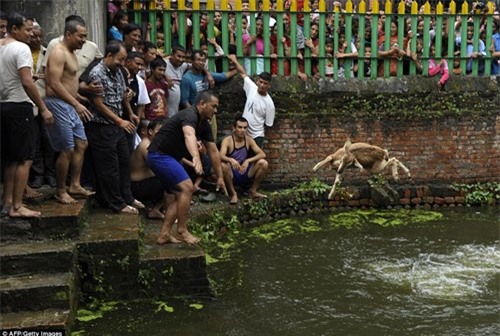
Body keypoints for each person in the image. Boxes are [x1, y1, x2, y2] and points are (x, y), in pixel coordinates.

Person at [146, 91, 227, 245]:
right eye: (214, 106)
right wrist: (195, 157)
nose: (216, 110)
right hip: (159, 155)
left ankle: (163, 235)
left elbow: (213, 151)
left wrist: (220, 176)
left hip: (169, 158)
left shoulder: (204, 125)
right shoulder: (190, 115)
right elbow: (189, 135)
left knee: (180, 194)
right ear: (202, 104)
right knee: (187, 188)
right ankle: (182, 230)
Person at [0, 12, 54, 218]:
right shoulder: (21, 48)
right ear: (14, 29)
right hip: (19, 106)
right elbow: (26, 81)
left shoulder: (1, 45)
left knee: (10, 159)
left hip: (3, 105)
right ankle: (17, 206)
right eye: (27, 30)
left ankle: (7, 202)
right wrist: (43, 107)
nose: (31, 34)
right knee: (24, 158)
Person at [86, 40, 144, 214]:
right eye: (120, 59)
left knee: (124, 162)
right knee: (109, 167)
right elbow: (98, 104)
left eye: (124, 59)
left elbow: (122, 95)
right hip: (101, 126)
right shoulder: (97, 73)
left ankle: (127, 196)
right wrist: (119, 121)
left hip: (117, 124)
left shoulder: (118, 72)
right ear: (109, 56)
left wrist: (130, 112)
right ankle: (116, 203)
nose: (122, 63)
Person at [44, 17, 95, 204]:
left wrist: (79, 98)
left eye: (85, 36)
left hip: (70, 103)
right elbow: (54, 84)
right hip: (58, 104)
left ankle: (74, 184)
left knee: (82, 144)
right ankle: (60, 190)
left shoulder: (72, 51)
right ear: (69, 34)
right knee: (66, 148)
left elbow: (68, 82)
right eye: (81, 36)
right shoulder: (58, 52)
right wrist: (76, 103)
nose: (84, 40)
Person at [228, 54, 275, 149]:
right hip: (243, 133)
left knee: (255, 160)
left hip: (257, 136)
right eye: (261, 82)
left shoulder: (269, 104)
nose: (262, 85)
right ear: (257, 81)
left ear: (269, 85)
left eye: (265, 84)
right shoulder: (252, 88)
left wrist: (259, 136)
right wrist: (235, 60)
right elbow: (243, 73)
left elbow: (268, 125)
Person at [220, 116, 269, 204]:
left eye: (245, 128)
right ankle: (233, 193)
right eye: (240, 127)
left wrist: (247, 161)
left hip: (244, 171)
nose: (242, 130)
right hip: (232, 173)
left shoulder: (249, 140)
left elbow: (262, 154)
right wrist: (231, 160)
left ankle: (253, 191)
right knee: (223, 165)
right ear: (234, 128)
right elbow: (220, 156)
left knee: (263, 163)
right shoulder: (227, 140)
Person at [130, 120, 171, 219]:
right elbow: (161, 167)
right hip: (137, 187)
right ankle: (163, 211)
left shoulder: (153, 144)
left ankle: (158, 209)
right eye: (159, 131)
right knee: (170, 180)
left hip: (144, 184)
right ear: (151, 131)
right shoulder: (146, 146)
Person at [165, 45, 189, 117]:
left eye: (183, 57)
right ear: (172, 55)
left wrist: (208, 74)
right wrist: (165, 75)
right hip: (162, 110)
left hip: (174, 110)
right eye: (179, 56)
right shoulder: (164, 64)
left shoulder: (183, 66)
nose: (181, 59)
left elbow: (197, 65)